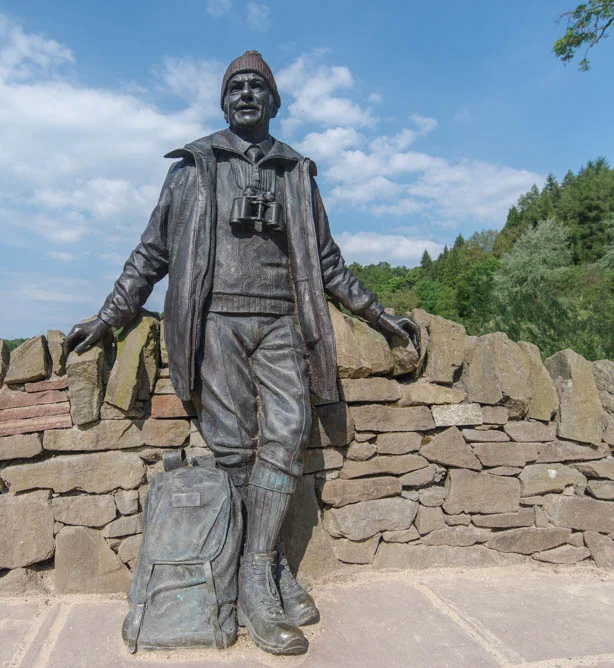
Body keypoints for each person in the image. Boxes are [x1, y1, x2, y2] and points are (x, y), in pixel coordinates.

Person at [65, 50, 419, 656]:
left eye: (258, 87)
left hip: (283, 320)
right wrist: (109, 316)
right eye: (237, 87)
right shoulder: (193, 169)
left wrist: (381, 317)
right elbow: (151, 254)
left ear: (275, 102)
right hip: (216, 323)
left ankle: (258, 572)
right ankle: (265, 570)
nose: (247, 95)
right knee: (233, 447)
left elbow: (327, 262)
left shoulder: (296, 174)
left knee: (285, 433)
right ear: (224, 100)